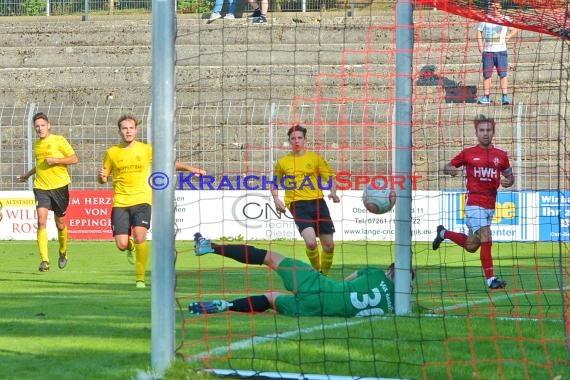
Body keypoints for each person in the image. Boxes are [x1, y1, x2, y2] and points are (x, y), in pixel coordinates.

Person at [97, 115, 206, 289]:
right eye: (124, 128)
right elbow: (103, 178)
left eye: (131, 128)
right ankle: (129, 247)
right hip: (120, 202)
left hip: (142, 200)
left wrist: (192, 169)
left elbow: (167, 163)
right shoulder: (112, 152)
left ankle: (140, 279)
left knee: (141, 235)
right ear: (119, 131)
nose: (128, 131)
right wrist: (101, 177)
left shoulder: (146, 149)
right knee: (121, 244)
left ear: (136, 130)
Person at [189, 233, 413, 317]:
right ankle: (226, 305)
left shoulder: (375, 273)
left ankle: (211, 247)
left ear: (391, 270)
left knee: (270, 257)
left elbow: (350, 278)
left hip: (322, 287)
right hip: (315, 311)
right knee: (270, 299)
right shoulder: (400, 305)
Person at [432, 114, 514, 289]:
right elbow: (448, 166)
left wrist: (510, 181)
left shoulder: (501, 155)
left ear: (493, 132)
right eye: (482, 130)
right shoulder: (468, 153)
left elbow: (509, 175)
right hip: (474, 203)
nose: (485, 133)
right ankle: (491, 280)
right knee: (486, 235)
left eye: (488, 130)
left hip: (490, 205)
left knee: (472, 245)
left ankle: (443, 233)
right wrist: (451, 169)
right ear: (476, 133)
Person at [271, 124, 340, 276]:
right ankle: (316, 272)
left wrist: (333, 193)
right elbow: (274, 183)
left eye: (299, 138)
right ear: (289, 141)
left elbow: (330, 178)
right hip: (297, 204)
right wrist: (277, 200)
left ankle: (324, 276)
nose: (296, 141)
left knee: (329, 246)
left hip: (318, 202)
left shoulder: (315, 159)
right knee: (310, 242)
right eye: (293, 138)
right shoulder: (283, 162)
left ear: (305, 140)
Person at [17, 112, 79, 272]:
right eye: (37, 126)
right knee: (41, 220)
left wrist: (56, 160)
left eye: (42, 125)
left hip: (60, 187)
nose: (40, 128)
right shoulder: (37, 144)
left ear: (48, 125)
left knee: (60, 224)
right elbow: (40, 165)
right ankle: (45, 260)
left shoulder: (59, 140)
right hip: (41, 187)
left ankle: (63, 251)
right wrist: (27, 175)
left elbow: (74, 159)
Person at [477, 0, 519, 105]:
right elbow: (479, 31)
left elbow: (516, 28)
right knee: (487, 75)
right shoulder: (485, 19)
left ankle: (505, 96)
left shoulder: (505, 19)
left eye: (498, 8)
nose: (495, 10)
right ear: (490, 7)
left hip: (501, 52)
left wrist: (508, 36)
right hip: (488, 52)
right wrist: (480, 46)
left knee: (503, 74)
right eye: (493, 7)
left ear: (500, 8)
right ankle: (486, 96)